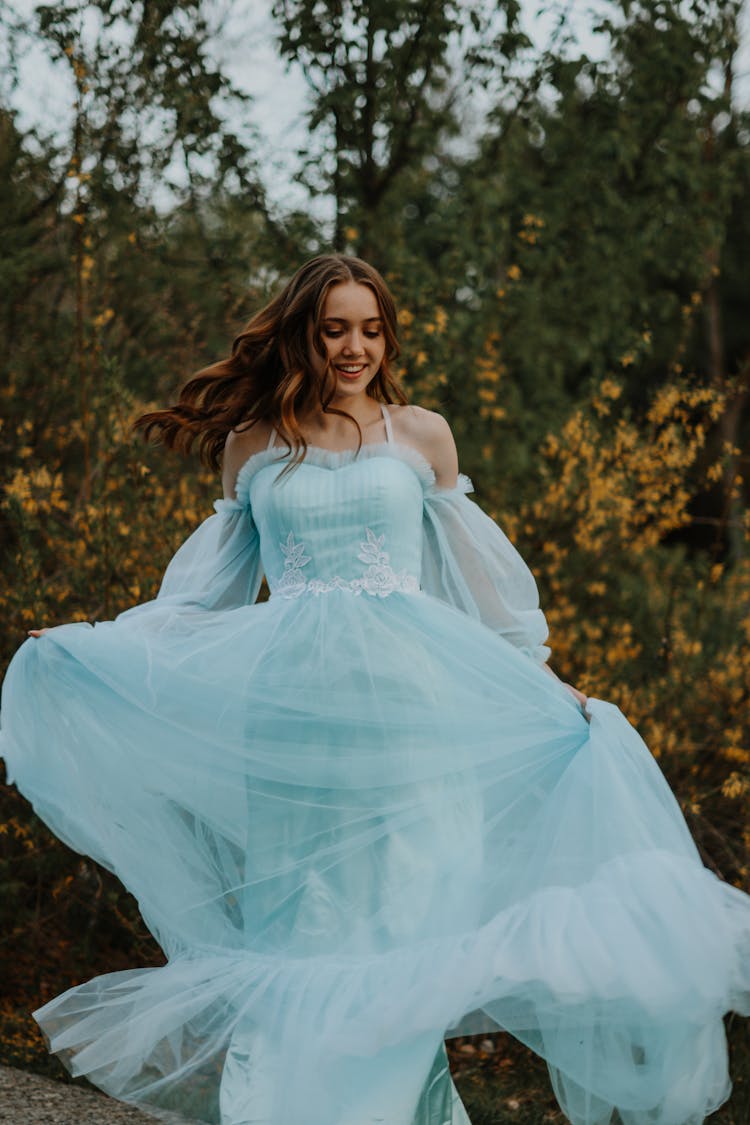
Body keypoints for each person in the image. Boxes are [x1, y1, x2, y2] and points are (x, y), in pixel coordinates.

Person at [1, 253, 748, 1125]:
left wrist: (545, 686)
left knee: (400, 934)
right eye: (333, 329)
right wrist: (96, 645)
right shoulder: (254, 445)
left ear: (387, 335)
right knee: (300, 930)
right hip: (292, 729)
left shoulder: (420, 434)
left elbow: (478, 591)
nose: (354, 346)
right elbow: (202, 600)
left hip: (408, 721)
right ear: (302, 335)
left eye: (370, 328)